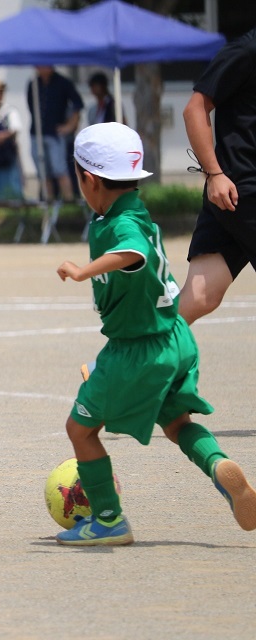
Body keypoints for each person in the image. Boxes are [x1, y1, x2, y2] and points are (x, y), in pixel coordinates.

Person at [54, 122, 256, 546]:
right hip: (174, 338)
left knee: (80, 430)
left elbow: (134, 252)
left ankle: (108, 520)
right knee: (177, 423)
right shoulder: (135, 211)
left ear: (88, 179)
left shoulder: (122, 225)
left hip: (137, 351)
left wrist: (83, 271)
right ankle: (219, 467)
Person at [179, 28, 256, 326]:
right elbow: (194, 109)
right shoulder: (246, 51)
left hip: (231, 200)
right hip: (242, 190)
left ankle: (123, 355)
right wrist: (214, 174)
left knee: (200, 296)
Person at [26, 66, 83, 203]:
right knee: (43, 172)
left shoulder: (63, 83)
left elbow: (78, 104)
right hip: (37, 134)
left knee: (60, 170)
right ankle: (49, 202)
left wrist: (69, 126)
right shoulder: (33, 84)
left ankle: (69, 202)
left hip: (55, 135)